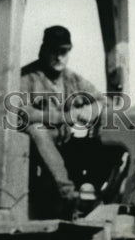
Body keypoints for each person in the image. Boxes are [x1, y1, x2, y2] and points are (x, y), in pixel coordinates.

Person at [19, 26, 105, 218]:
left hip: (66, 138)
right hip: (36, 141)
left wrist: (84, 112)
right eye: (54, 51)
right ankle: (67, 193)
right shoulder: (27, 78)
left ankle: (95, 193)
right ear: (43, 50)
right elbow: (20, 112)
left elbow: (101, 101)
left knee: (96, 136)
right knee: (37, 129)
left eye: (64, 52)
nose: (59, 57)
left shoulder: (72, 79)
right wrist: (61, 117)